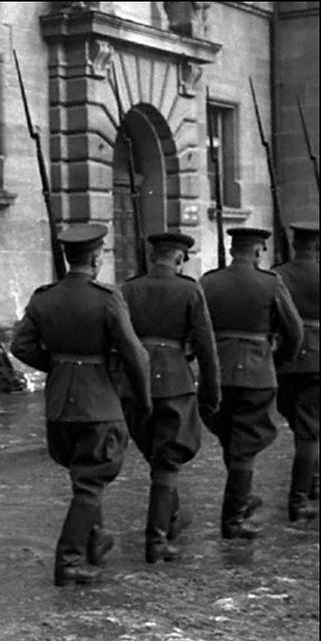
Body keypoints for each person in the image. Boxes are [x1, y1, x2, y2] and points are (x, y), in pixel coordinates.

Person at [11, 223, 151, 586]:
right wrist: (143, 397)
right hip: (98, 403)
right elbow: (136, 354)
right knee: (91, 481)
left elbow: (21, 346)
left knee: (83, 478)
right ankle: (68, 560)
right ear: (96, 257)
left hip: (59, 406)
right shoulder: (107, 298)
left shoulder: (44, 297)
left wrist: (60, 367)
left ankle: (95, 541)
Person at [119, 232, 221, 564]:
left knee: (156, 456)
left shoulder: (128, 289)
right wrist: (211, 392)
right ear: (179, 259)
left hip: (135, 384)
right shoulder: (190, 289)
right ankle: (158, 540)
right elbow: (205, 346)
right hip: (176, 381)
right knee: (168, 460)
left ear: (153, 258)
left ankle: (171, 519)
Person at [200, 227, 303, 539]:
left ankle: (241, 497)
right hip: (257, 371)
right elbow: (294, 330)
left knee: (229, 438)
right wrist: (279, 360)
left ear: (232, 251)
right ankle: (233, 518)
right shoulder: (271, 282)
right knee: (244, 447)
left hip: (216, 371)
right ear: (259, 251)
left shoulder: (208, 281)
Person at [272, 221, 320, 522]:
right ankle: (300, 498)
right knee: (310, 431)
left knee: (303, 427)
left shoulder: (278, 276)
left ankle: (312, 483)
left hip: (287, 361)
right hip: (318, 362)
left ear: (294, 244)